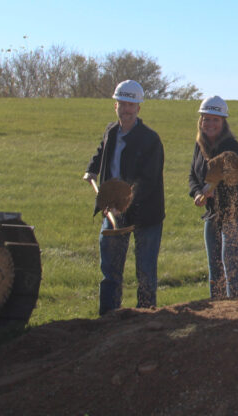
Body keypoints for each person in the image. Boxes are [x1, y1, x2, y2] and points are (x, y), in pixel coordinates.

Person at [83, 80, 165, 315]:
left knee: (146, 271)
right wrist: (92, 169)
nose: (127, 109)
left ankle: (146, 318)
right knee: (110, 271)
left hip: (145, 214)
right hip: (112, 211)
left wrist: (126, 202)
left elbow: (148, 180)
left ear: (139, 108)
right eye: (122, 104)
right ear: (115, 105)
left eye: (132, 105)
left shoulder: (150, 139)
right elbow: (102, 150)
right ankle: (108, 318)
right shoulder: (111, 131)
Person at [188, 96, 238, 299]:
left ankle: (236, 310)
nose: (210, 124)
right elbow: (193, 175)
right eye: (206, 119)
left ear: (223, 122)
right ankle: (216, 314)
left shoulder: (231, 146)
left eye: (215, 119)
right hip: (214, 213)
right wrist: (199, 192)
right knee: (215, 267)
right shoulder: (199, 145)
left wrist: (210, 187)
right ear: (200, 121)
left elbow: (230, 173)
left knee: (231, 263)